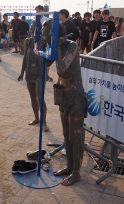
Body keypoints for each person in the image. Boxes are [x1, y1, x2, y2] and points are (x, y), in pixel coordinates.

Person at [53, 24, 87, 186]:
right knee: (66, 134)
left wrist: (56, 47)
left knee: (76, 136)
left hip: (75, 97)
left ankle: (77, 172)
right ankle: (69, 167)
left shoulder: (72, 46)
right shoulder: (57, 46)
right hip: (63, 95)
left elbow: (61, 68)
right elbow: (44, 64)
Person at [18, 37, 49, 132]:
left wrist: (47, 74)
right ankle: (37, 118)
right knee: (32, 98)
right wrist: (22, 72)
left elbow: (48, 60)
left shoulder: (43, 42)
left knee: (40, 98)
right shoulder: (28, 41)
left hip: (40, 75)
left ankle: (44, 123)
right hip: (29, 74)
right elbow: (25, 58)